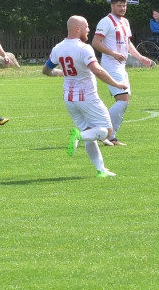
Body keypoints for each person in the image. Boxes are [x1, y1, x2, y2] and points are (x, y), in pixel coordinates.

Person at [43, 15, 128, 178]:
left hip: (69, 99)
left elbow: (46, 70)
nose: (89, 30)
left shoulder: (58, 48)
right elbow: (97, 70)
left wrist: (59, 72)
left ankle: (100, 170)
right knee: (106, 131)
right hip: (87, 98)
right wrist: (117, 85)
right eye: (87, 26)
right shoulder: (84, 48)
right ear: (77, 29)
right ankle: (78, 136)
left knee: (91, 133)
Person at [92, 0, 153, 145]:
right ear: (112, 5)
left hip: (121, 66)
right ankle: (103, 131)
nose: (122, 8)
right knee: (123, 100)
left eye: (124, 5)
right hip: (111, 65)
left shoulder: (125, 22)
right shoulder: (105, 22)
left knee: (124, 101)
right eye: (119, 5)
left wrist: (140, 57)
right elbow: (96, 42)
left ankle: (110, 136)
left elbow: (127, 44)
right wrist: (113, 53)